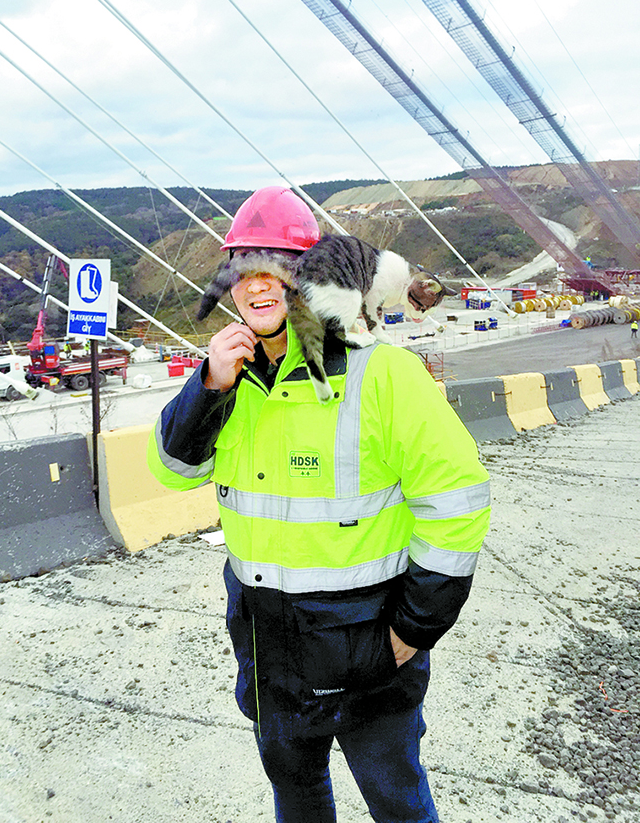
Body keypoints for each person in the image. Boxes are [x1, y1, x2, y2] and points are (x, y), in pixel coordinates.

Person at [148, 186, 490, 823]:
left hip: (370, 645)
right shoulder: (232, 379)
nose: (257, 288)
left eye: (273, 270)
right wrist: (207, 387)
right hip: (268, 643)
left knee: (397, 802)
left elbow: (458, 503)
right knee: (298, 798)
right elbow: (172, 470)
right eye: (242, 273)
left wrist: (412, 631)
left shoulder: (382, 376)